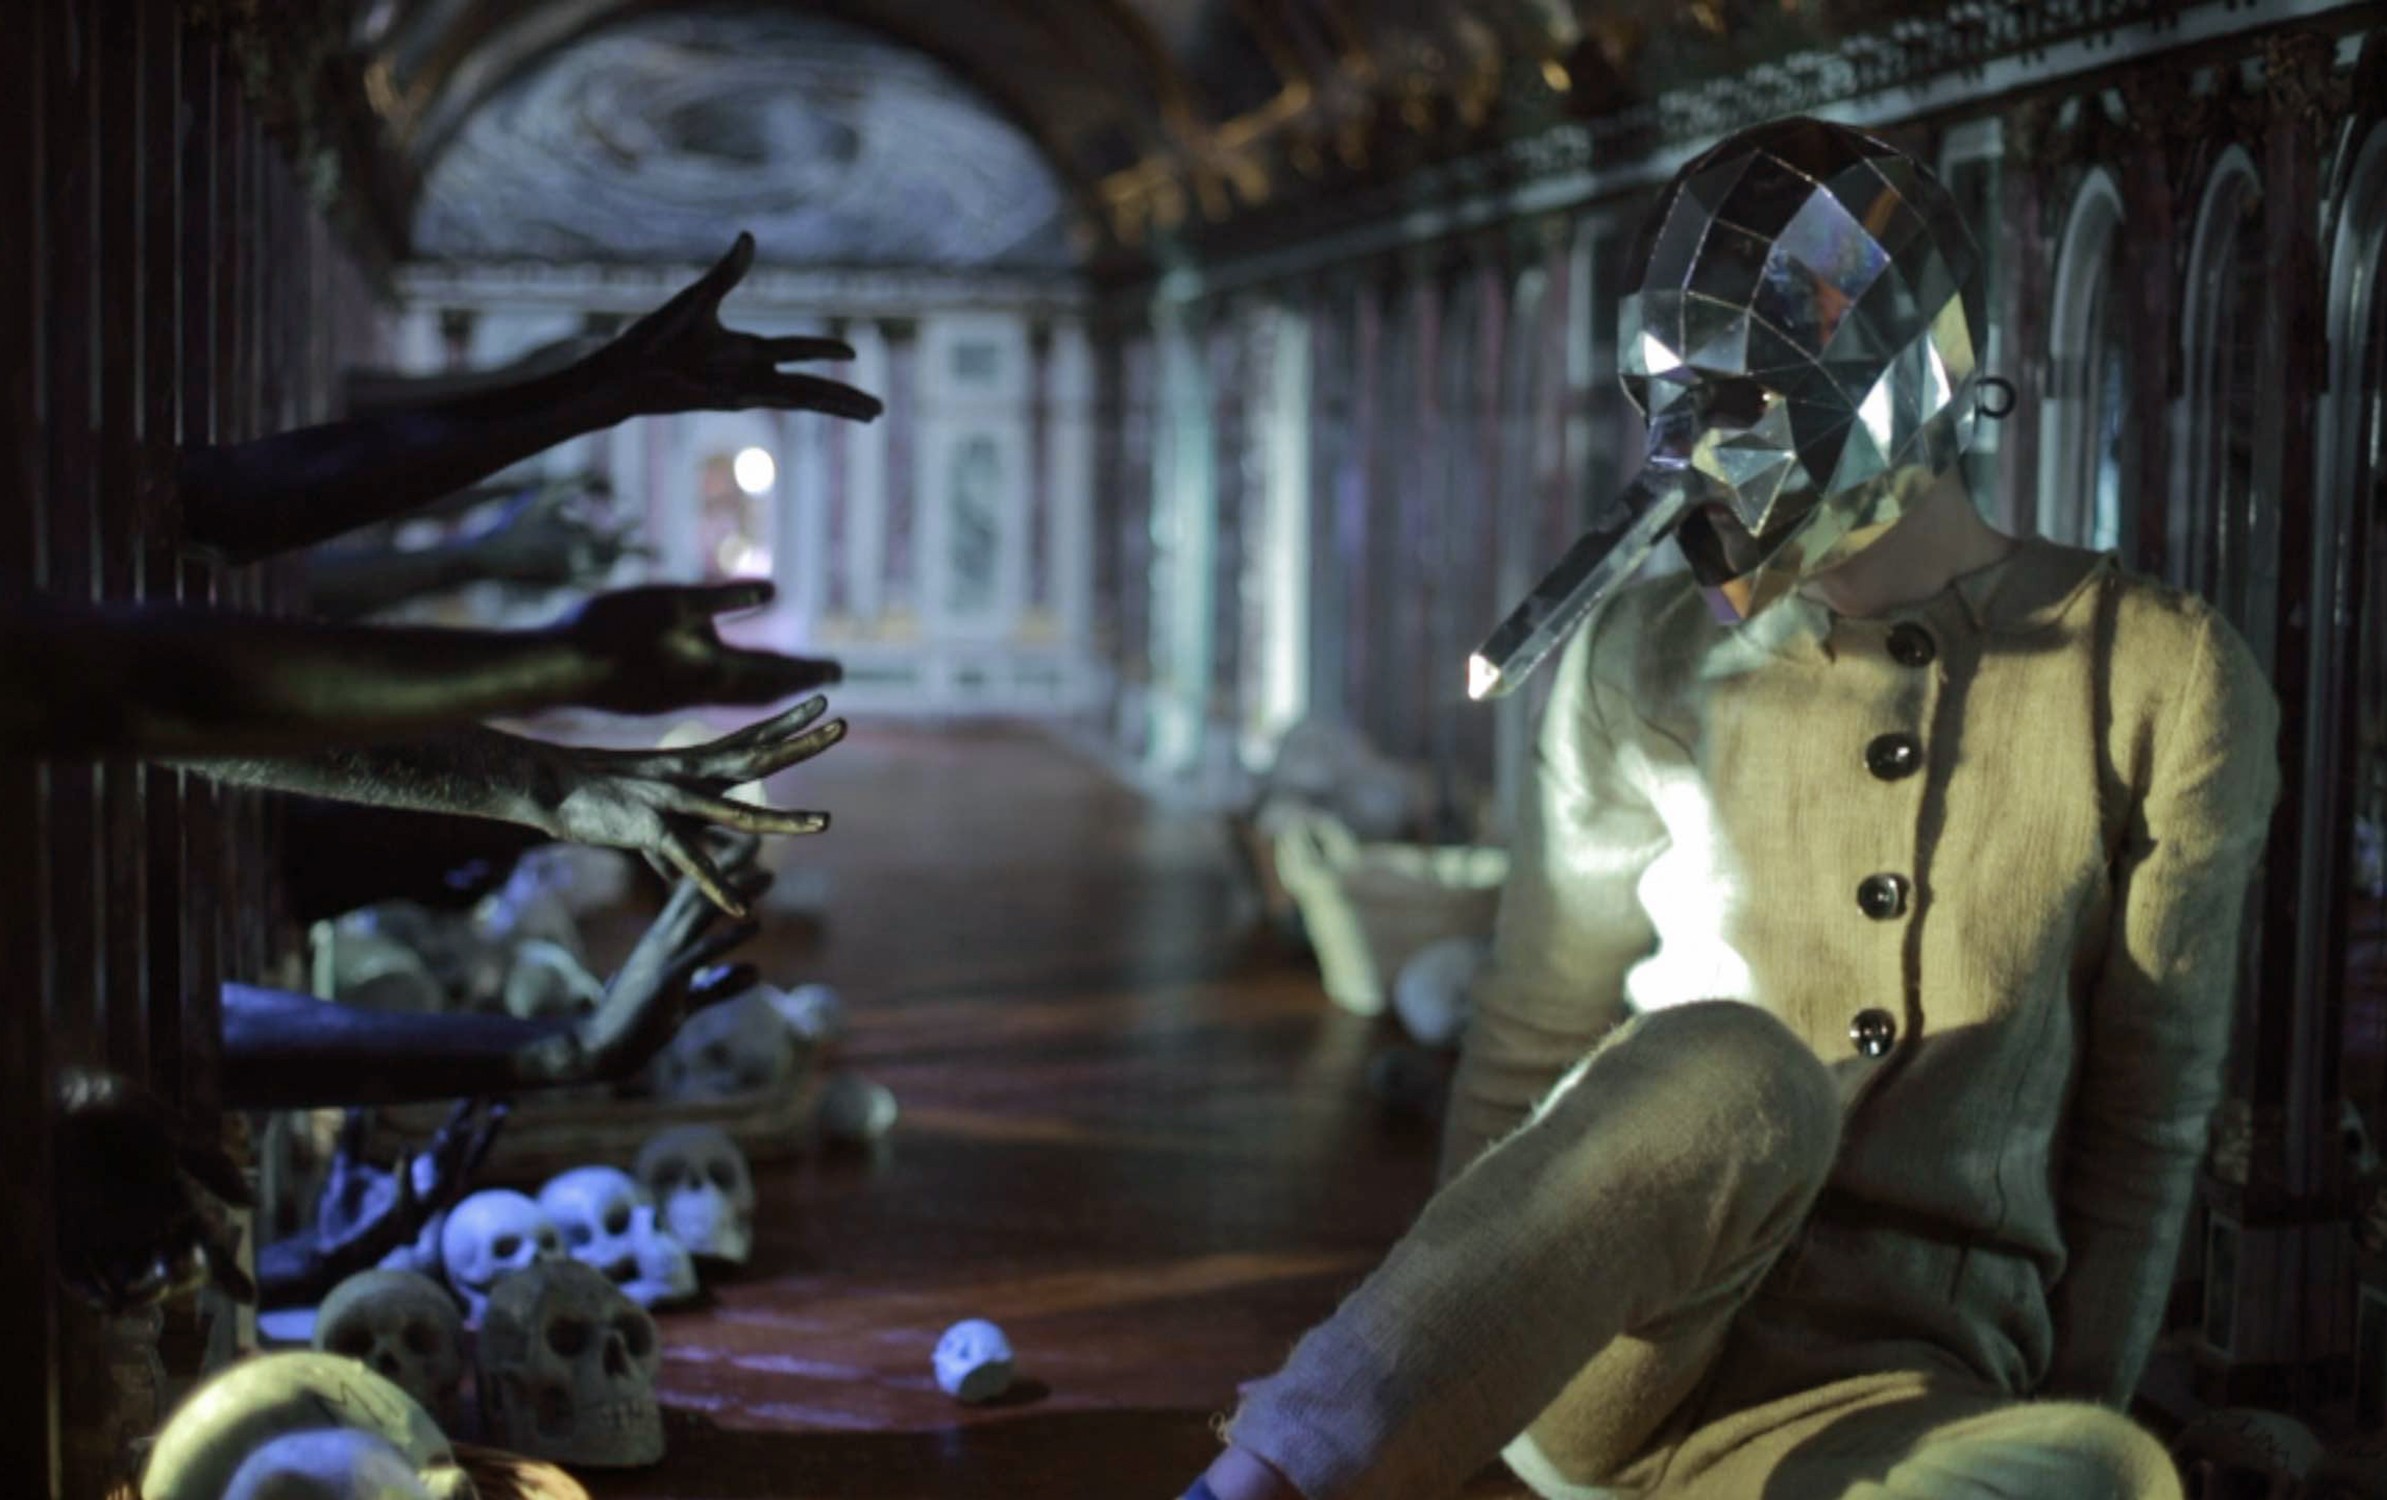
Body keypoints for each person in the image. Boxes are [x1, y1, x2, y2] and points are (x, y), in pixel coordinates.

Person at [1188, 116, 2279, 1500]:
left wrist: (2059, 1416)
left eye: (1743, 403)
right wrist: (1457, 1376)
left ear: (1909, 381)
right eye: (1668, 403)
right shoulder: (1637, 652)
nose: (1696, 461)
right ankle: (1268, 1481)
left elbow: (2146, 1122)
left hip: (1911, 1380)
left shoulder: (2162, 675)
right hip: (1614, 1356)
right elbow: (1532, 1029)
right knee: (1734, 1070)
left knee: (2100, 1475)